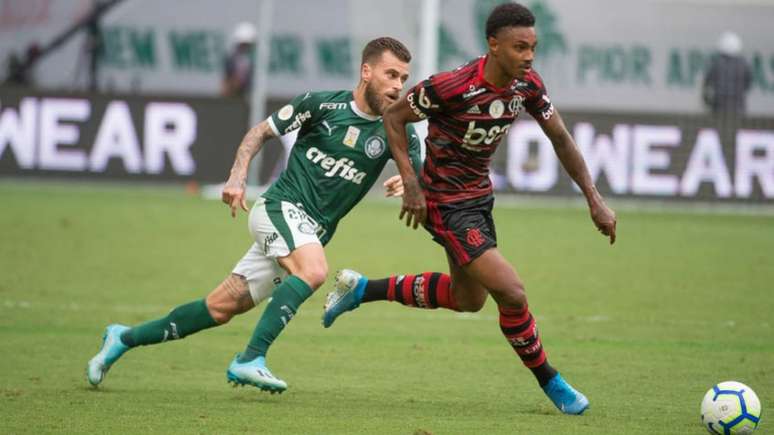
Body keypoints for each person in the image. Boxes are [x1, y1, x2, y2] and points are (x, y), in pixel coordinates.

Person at [322, 3, 616, 415]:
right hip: (444, 202)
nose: (529, 56)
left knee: (468, 299)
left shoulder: (527, 85)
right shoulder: (452, 86)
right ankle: (552, 381)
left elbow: (562, 139)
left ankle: (361, 289)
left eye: (533, 47)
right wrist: (412, 183)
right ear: (493, 45)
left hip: (478, 198)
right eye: (519, 47)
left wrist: (594, 198)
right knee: (511, 292)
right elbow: (393, 117)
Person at [87, 37, 421, 393]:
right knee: (314, 270)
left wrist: (410, 180)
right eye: (391, 75)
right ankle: (250, 358)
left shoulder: (397, 129)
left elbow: (421, 173)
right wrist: (237, 175)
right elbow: (259, 133)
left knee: (219, 308)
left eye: (403, 78)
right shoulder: (320, 105)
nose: (399, 86)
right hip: (279, 208)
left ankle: (123, 338)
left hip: (308, 234)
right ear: (366, 71)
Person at [702, 31, 752, 117]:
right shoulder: (743, 64)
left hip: (719, 107)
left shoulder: (716, 63)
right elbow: (748, 84)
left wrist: (707, 101)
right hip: (738, 107)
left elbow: (707, 84)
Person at [221, 22, 257, 98]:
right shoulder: (231, 60)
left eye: (248, 45)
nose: (245, 48)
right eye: (243, 45)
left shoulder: (253, 61)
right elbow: (226, 83)